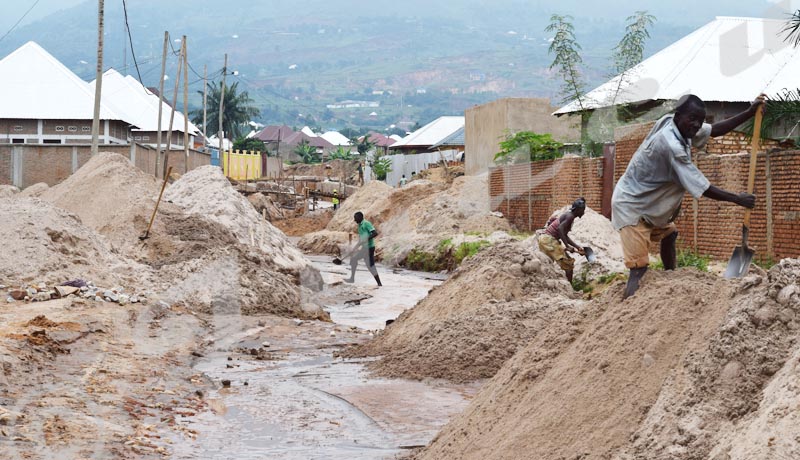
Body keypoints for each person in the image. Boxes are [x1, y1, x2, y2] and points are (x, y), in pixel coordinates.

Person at [613, 94, 763, 299]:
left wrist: (748, 113)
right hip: (631, 206)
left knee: (669, 234)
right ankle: (627, 310)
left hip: (648, 206)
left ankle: (670, 278)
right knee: (638, 268)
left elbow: (715, 130)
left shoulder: (674, 123)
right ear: (678, 116)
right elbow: (702, 187)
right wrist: (737, 199)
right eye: (692, 119)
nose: (696, 125)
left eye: (700, 121)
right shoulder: (672, 146)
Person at [538, 198, 586, 282]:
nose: (583, 212)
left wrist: (577, 247)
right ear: (577, 210)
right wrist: (567, 246)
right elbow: (560, 229)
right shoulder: (570, 217)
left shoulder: (569, 215)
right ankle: (570, 291)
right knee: (569, 265)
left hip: (544, 239)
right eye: (582, 210)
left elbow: (564, 235)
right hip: (549, 241)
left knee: (547, 265)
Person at [344, 211, 382, 286]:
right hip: (365, 248)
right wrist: (354, 249)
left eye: (356, 218)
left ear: (360, 217)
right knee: (355, 260)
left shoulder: (366, 223)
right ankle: (352, 279)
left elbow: (375, 233)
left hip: (369, 248)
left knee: (370, 266)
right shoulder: (359, 226)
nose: (355, 220)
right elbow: (361, 240)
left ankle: (379, 283)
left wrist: (367, 239)